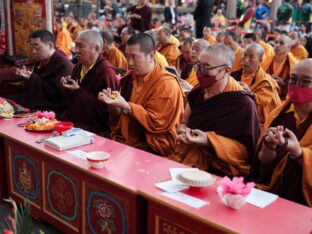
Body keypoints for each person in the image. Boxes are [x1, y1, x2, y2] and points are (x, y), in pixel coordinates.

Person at [168, 44, 260, 176]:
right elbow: (184, 122)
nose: (200, 72)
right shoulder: (198, 91)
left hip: (220, 168)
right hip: (187, 154)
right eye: (199, 65)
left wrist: (209, 141)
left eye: (206, 68)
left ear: (226, 71)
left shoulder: (243, 104)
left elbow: (246, 152)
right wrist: (183, 130)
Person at [98, 33, 184, 156]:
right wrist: (113, 104)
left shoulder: (167, 84)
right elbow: (118, 118)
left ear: (151, 56)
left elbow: (157, 124)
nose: (130, 62)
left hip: (153, 143)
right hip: (127, 136)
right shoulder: (128, 78)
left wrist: (127, 106)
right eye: (127, 56)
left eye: (134, 57)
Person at [250, 59, 312, 207]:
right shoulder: (278, 114)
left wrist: (298, 153)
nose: (296, 86)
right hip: (268, 193)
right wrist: (269, 146)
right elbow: (263, 163)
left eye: (305, 82)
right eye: (293, 79)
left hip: (302, 201)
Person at [60, 30, 119, 134]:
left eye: (81, 46)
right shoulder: (78, 66)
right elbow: (71, 102)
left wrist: (78, 91)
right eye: (76, 45)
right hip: (74, 121)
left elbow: (105, 112)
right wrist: (66, 88)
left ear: (96, 48)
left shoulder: (106, 72)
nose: (76, 50)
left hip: (93, 129)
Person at [9, 30, 73, 115]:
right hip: (39, 101)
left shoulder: (63, 64)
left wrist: (32, 78)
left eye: (37, 47)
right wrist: (28, 78)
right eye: (32, 47)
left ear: (50, 45)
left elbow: (57, 94)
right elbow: (38, 82)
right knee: (8, 102)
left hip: (53, 107)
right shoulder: (43, 60)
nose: (34, 51)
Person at [231, 43, 281, 129]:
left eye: (251, 57)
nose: (246, 60)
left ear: (260, 61)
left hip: (254, 122)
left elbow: (263, 102)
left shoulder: (266, 82)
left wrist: (250, 94)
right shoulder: (232, 75)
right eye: (244, 55)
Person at [262, 35, 298, 100]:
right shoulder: (267, 60)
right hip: (265, 96)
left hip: (282, 99)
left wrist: (283, 83)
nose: (277, 45)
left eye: (281, 43)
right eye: (276, 42)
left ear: (289, 47)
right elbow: (258, 78)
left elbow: (296, 88)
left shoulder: (294, 64)